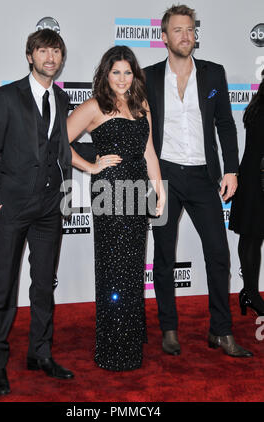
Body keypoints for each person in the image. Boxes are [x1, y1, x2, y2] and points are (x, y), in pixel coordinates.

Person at [144, 4, 252, 357]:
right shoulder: (147, 78)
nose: (186, 36)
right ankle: (169, 328)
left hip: (205, 177)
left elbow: (225, 124)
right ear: (164, 37)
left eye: (190, 29)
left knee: (218, 255)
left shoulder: (213, 73)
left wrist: (232, 169)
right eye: (177, 30)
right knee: (163, 256)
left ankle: (220, 331)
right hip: (165, 178)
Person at [0, 29, 74, 395]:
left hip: (50, 207)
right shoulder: (5, 97)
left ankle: (40, 353)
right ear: (30, 56)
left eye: (55, 51)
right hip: (13, 207)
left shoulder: (63, 100)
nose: (50, 57)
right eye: (43, 50)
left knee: (43, 285)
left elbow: (61, 150)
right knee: (3, 284)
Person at [67, 45, 165, 371]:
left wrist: (159, 187)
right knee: (113, 270)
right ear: (105, 75)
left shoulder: (142, 105)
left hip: (138, 192)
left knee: (133, 267)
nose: (122, 79)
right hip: (109, 194)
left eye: (127, 72)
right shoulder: (96, 106)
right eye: (116, 72)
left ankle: (130, 341)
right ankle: (113, 349)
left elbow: (149, 151)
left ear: (134, 75)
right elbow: (55, 141)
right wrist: (90, 166)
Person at [229, 69, 264, 316]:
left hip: (252, 176)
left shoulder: (257, 104)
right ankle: (250, 293)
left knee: (251, 237)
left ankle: (248, 292)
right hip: (257, 179)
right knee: (253, 237)